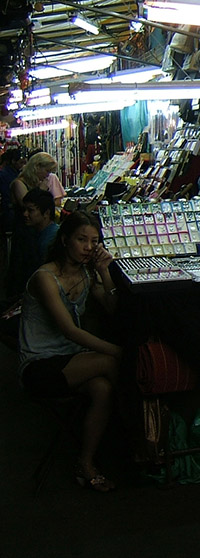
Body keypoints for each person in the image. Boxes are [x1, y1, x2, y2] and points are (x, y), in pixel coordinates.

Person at [19, 211, 121, 492]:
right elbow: (69, 331)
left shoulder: (87, 274)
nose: (88, 247)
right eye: (81, 240)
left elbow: (112, 308)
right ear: (65, 240)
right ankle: (137, 438)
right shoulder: (45, 277)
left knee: (102, 388)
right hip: (39, 365)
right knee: (112, 363)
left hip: (71, 360)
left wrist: (104, 272)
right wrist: (118, 351)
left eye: (94, 241)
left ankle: (85, 463)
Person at [9, 188, 58, 295]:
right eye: (24, 210)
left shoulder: (51, 240)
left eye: (30, 210)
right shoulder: (35, 234)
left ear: (46, 213)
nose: (25, 214)